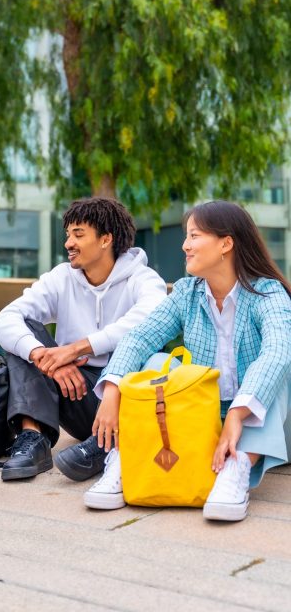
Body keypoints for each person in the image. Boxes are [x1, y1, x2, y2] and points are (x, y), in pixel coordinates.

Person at [84, 200, 291, 522]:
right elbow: (140, 338)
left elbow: (277, 351)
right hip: (203, 412)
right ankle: (125, 461)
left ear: (226, 243)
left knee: (279, 367)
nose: (185, 245)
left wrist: (237, 414)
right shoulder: (187, 293)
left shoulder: (268, 294)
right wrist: (113, 389)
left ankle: (235, 471)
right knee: (155, 363)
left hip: (264, 419)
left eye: (194, 236)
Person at [0, 197, 167, 481]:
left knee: (156, 357)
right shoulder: (61, 277)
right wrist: (47, 358)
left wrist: (74, 349)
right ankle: (33, 440)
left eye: (78, 234)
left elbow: (150, 320)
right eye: (68, 234)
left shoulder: (143, 279)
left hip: (123, 395)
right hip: (75, 391)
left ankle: (107, 446)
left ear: (106, 239)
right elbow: (5, 319)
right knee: (24, 334)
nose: (68, 243)